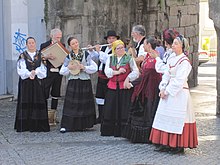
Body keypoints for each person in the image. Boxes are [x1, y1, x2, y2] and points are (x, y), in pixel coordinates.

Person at [149, 35, 198, 154]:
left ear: (182, 46)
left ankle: (177, 145)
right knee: (164, 116)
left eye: (176, 43)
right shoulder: (171, 58)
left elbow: (179, 80)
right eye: (174, 43)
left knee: (177, 118)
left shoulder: (185, 62)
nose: (173, 45)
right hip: (168, 91)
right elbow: (166, 73)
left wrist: (167, 91)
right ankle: (165, 143)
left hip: (179, 94)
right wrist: (162, 87)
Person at [122, 36, 162, 143]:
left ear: (149, 45)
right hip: (144, 88)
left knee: (149, 111)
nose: (143, 46)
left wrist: (132, 83)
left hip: (151, 90)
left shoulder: (154, 59)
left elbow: (146, 75)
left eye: (144, 44)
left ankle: (149, 135)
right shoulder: (148, 57)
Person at [101, 40, 139, 137]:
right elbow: (107, 71)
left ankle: (123, 131)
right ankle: (110, 130)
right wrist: (117, 72)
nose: (121, 49)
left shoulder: (129, 58)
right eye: (118, 48)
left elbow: (136, 71)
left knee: (124, 108)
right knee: (111, 107)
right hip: (113, 86)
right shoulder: (110, 58)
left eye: (122, 47)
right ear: (114, 49)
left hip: (124, 87)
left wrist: (128, 78)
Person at [59, 37, 97, 133]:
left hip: (84, 80)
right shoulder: (68, 57)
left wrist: (84, 67)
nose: (75, 44)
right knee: (71, 105)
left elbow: (94, 67)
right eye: (73, 43)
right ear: (70, 46)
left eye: (76, 42)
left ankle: (84, 124)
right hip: (73, 81)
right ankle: (68, 125)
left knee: (84, 104)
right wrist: (69, 67)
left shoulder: (86, 54)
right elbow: (62, 71)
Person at [14, 37, 50, 132]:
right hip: (26, 82)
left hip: (37, 82)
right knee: (26, 100)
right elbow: (20, 69)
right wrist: (29, 74)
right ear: (26, 44)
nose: (31, 44)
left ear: (35, 43)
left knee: (38, 99)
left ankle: (38, 124)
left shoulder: (40, 55)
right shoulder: (23, 56)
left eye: (32, 42)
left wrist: (35, 72)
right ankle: (26, 124)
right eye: (29, 43)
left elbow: (43, 68)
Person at [90, 30, 119, 124]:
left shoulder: (117, 49)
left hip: (109, 77)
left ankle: (108, 117)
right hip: (100, 76)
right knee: (99, 97)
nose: (111, 40)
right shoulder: (104, 48)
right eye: (109, 38)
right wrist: (92, 51)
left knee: (109, 97)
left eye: (113, 38)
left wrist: (98, 52)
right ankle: (101, 116)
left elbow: (107, 59)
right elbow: (96, 57)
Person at [39, 28, 64, 120]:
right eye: (57, 37)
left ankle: (53, 116)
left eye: (60, 37)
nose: (59, 39)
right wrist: (46, 57)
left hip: (58, 73)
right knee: (45, 92)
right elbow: (39, 58)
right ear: (51, 36)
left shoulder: (62, 45)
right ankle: (43, 114)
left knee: (56, 93)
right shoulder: (44, 45)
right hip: (48, 73)